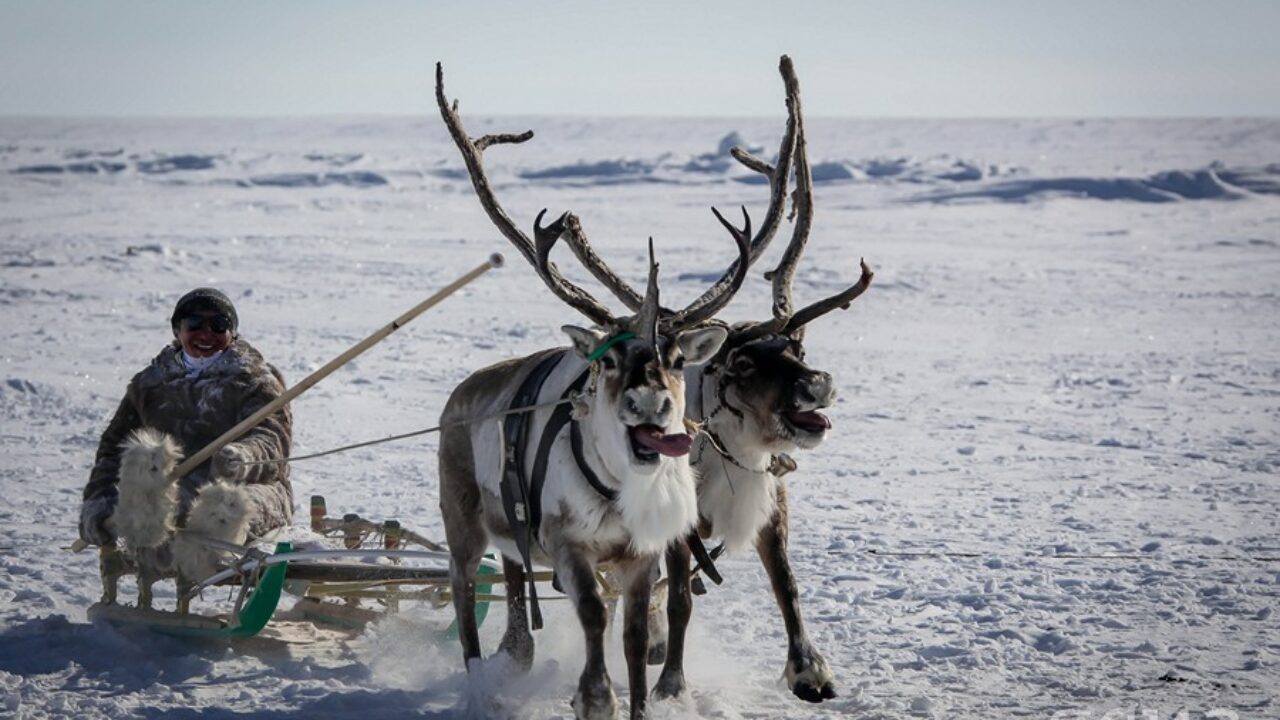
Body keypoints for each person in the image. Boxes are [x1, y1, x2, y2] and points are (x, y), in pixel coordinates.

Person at [78, 288, 294, 548]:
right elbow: (114, 451)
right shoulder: (149, 384)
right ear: (177, 331)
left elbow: (272, 441)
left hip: (248, 489)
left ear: (232, 333)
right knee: (139, 508)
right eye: (194, 324)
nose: (206, 334)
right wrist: (99, 501)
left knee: (223, 509)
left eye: (218, 325)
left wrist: (242, 458)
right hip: (169, 495)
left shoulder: (255, 381)